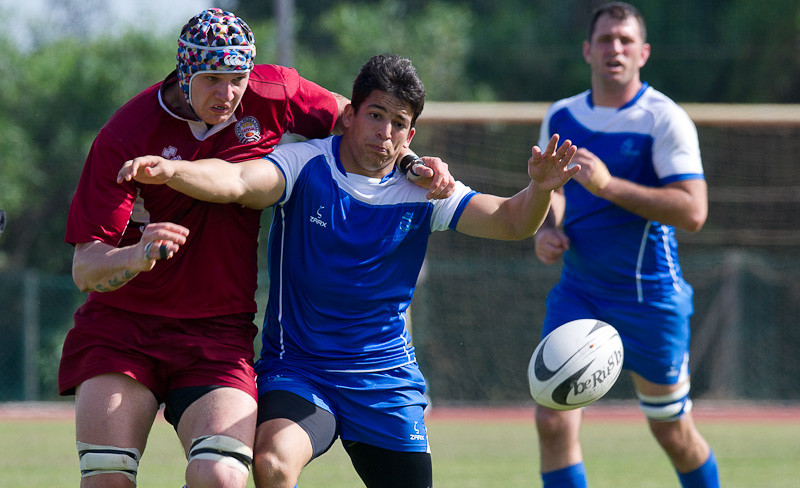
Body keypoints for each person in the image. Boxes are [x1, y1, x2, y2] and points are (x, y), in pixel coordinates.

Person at [118, 53, 579, 488]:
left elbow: (511, 221)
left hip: (384, 380)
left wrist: (538, 189)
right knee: (273, 462)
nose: (385, 131)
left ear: (410, 137)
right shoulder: (306, 165)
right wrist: (173, 171)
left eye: (399, 123)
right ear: (348, 115)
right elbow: (239, 181)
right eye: (376, 115)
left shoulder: (425, 190)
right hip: (300, 371)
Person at [60, 9, 450, 488]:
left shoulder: (274, 93)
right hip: (123, 329)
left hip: (217, 335)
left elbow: (360, 119)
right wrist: (135, 256)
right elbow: (85, 267)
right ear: (184, 73)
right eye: (212, 79)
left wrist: (411, 160)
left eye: (238, 79)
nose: (227, 95)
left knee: (222, 477)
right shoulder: (125, 135)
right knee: (108, 481)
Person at [532, 3, 719, 488]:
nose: (615, 47)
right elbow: (552, 190)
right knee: (552, 420)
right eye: (606, 39)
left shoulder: (665, 119)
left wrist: (609, 186)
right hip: (580, 293)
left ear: (643, 53)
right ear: (587, 50)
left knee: (672, 432)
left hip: (650, 299)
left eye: (626, 40)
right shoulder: (561, 115)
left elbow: (694, 212)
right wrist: (548, 228)